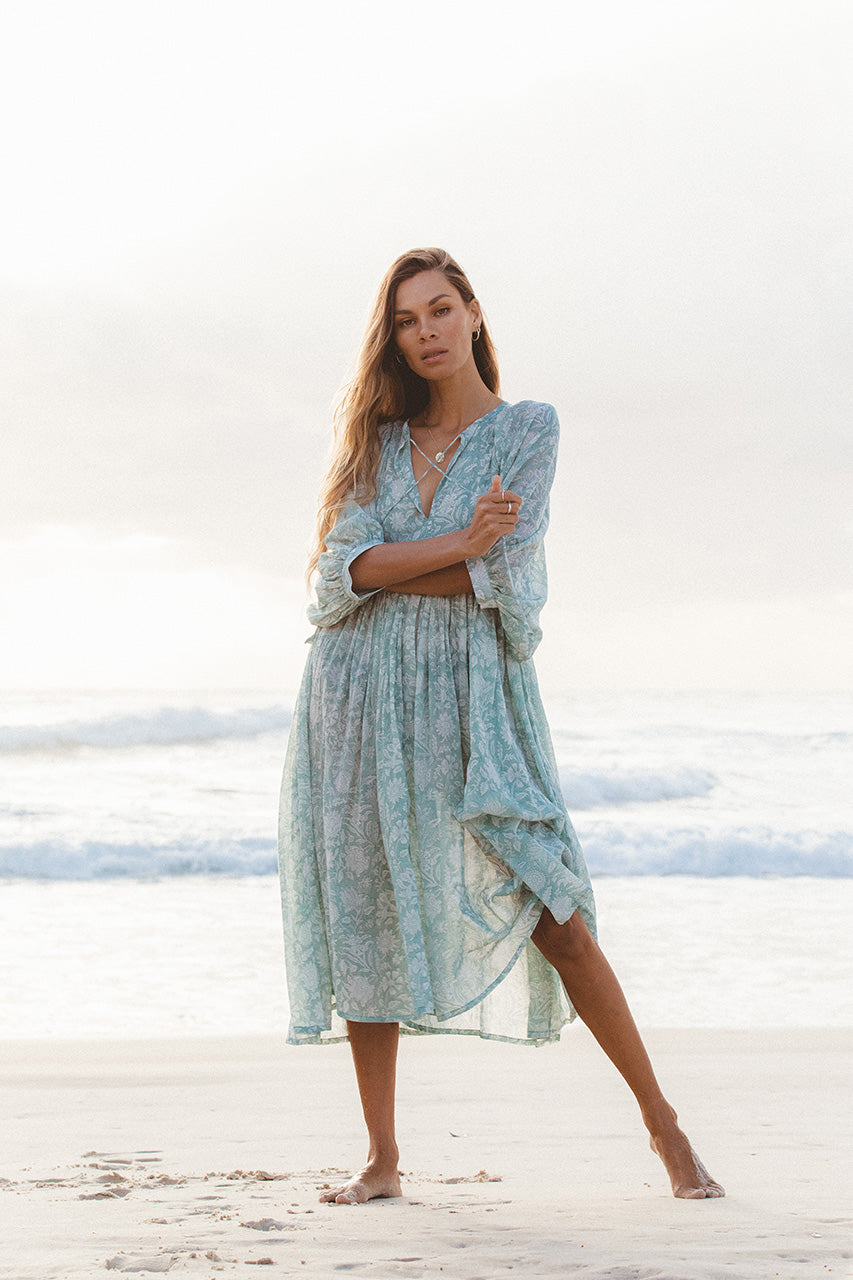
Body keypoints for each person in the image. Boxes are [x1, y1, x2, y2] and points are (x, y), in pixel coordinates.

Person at [277, 247, 724, 1206]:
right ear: (391, 336)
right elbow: (332, 580)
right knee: (365, 911)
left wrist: (411, 563)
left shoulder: (527, 428)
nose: (425, 332)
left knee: (556, 910)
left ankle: (664, 1126)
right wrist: (454, 544)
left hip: (478, 695)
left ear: (474, 314)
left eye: (441, 310)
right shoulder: (373, 439)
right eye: (406, 320)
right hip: (354, 696)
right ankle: (383, 1160)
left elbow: (503, 576)